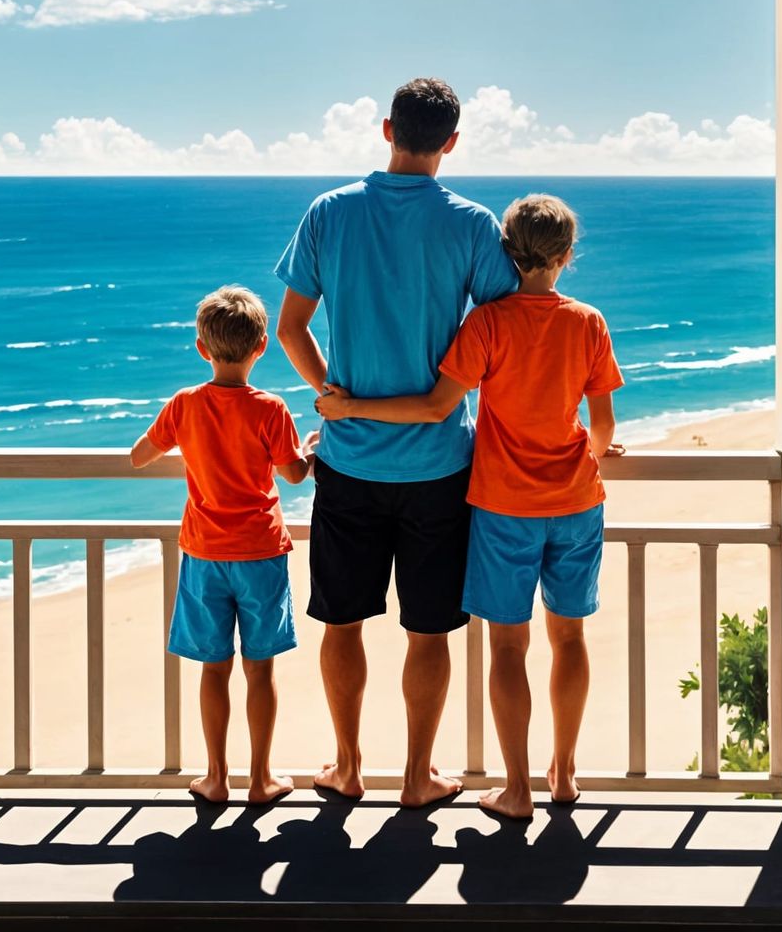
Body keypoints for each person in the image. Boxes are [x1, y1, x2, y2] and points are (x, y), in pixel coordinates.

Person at [316, 194, 623, 820]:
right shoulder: (588, 322)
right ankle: (564, 774)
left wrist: (349, 409)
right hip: (576, 501)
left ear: (506, 253)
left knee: (509, 649)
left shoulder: (486, 324)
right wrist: (590, 451)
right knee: (569, 638)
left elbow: (437, 407)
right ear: (568, 255)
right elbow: (601, 429)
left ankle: (518, 790)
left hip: (504, 506)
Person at [274, 77, 521, 808]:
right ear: (452, 142)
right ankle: (418, 777)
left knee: (342, 621)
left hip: (348, 460)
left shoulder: (329, 212)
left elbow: (289, 328)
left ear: (387, 129)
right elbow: (505, 327)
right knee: (429, 631)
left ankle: (348, 767)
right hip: (440, 464)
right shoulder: (471, 224)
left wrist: (331, 394)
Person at [131, 285, 314, 805]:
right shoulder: (270, 408)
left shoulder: (185, 404)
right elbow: (293, 475)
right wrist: (310, 451)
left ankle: (215, 778)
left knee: (215, 667)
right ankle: (261, 779)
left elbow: (139, 456)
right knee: (261, 669)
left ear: (201, 348)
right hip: (260, 552)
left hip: (205, 552)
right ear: (261, 347)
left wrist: (192, 444)